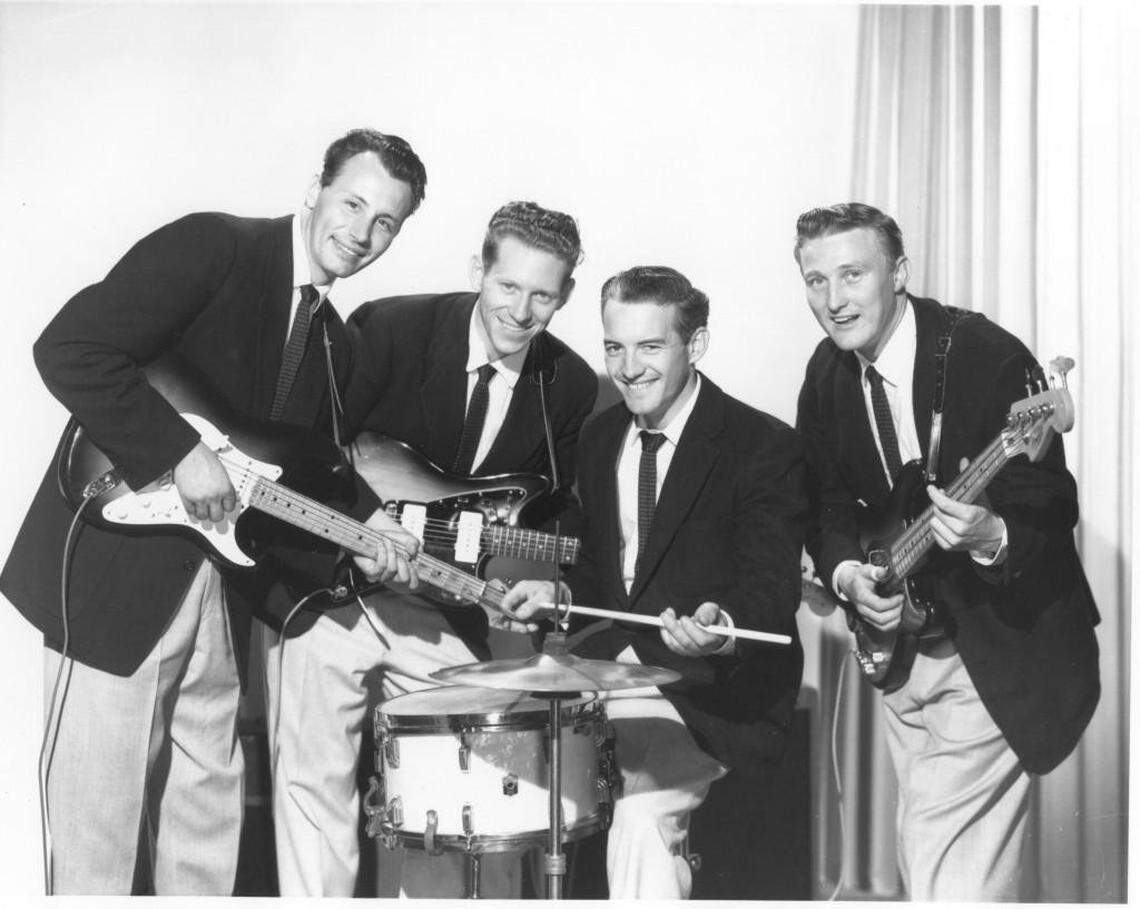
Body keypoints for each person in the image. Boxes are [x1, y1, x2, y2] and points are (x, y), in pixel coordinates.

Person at [0, 128, 425, 895]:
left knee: (207, 835)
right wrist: (177, 451)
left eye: (385, 222)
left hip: (225, 602)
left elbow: (297, 460)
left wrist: (369, 524)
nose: (361, 233)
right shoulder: (216, 246)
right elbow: (70, 346)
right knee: (96, 845)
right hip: (116, 583)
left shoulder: (336, 345)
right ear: (316, 189)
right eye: (353, 203)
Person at [260, 200, 598, 897]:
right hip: (331, 590)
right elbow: (314, 446)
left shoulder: (567, 385)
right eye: (508, 285)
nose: (520, 311)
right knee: (313, 791)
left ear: (565, 295)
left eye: (542, 295)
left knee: (459, 797)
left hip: (441, 610)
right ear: (479, 269)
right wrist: (364, 527)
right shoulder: (390, 327)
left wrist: (539, 585)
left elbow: (553, 514)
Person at [793, 202, 1100, 900]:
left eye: (852, 274)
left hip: (996, 644)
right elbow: (824, 500)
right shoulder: (828, 369)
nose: (834, 300)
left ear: (899, 272)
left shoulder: (987, 356)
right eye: (816, 280)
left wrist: (991, 535)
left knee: (944, 868)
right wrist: (846, 572)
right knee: (938, 865)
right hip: (904, 649)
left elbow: (1051, 504)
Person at [501, 265, 808, 899]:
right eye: (614, 347)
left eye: (650, 346)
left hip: (707, 694)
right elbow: (600, 573)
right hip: (607, 676)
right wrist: (559, 596)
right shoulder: (600, 436)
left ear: (695, 345)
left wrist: (721, 630)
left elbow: (770, 589)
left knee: (639, 818)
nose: (628, 368)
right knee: (504, 788)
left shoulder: (762, 445)